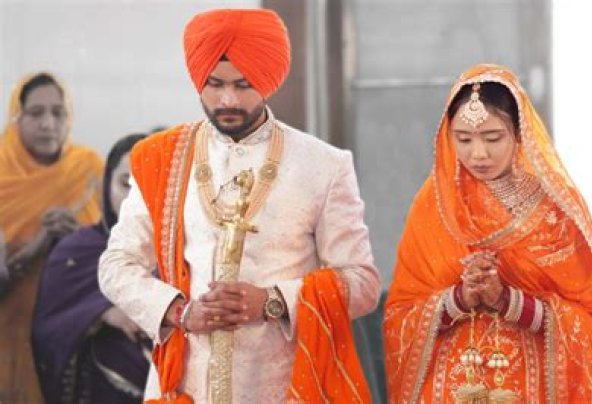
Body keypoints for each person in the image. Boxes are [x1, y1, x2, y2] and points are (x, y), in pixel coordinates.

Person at [98, 8, 380, 403]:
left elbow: (363, 283)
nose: (228, 99)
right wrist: (180, 312)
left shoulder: (323, 165)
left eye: (244, 85)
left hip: (283, 386)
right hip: (184, 384)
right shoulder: (163, 158)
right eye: (215, 84)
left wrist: (273, 301)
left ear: (267, 80)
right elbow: (116, 265)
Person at [383, 64, 592, 403]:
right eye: (463, 139)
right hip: (448, 391)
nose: (478, 154)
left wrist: (509, 302)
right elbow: (399, 317)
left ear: (519, 132)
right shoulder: (434, 203)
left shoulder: (555, 210)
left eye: (493, 138)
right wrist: (460, 299)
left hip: (534, 389)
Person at [0, 72, 103, 403]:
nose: (48, 124)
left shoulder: (88, 170)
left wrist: (77, 240)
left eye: (58, 113)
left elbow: (112, 249)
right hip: (8, 325)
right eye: (36, 113)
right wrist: (39, 243)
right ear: (16, 116)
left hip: (73, 323)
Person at [33, 133, 150, 403]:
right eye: (125, 184)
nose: (134, 198)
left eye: (148, 185)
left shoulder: (187, 251)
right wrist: (101, 314)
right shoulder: (75, 251)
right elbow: (47, 330)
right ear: (107, 184)